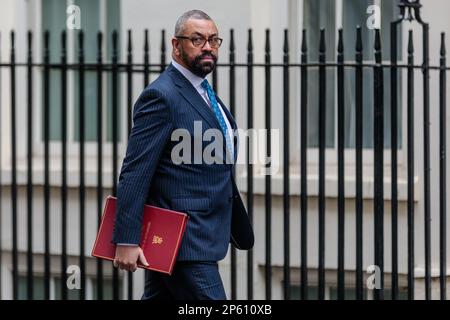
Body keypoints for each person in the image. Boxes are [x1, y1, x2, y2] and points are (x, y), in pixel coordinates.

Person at [112, 9, 254, 300]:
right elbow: (136, 171)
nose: (208, 47)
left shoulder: (203, 92)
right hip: (186, 241)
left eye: (214, 40)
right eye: (197, 39)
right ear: (176, 45)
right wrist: (127, 238)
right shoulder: (162, 96)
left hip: (197, 235)